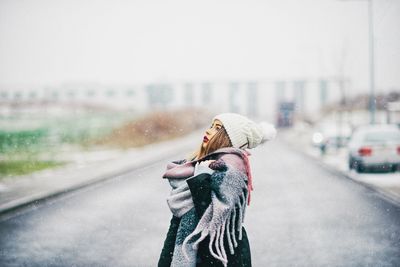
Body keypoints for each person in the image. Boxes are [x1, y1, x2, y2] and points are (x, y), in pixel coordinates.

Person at [158, 113, 277, 267]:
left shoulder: (230, 169)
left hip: (218, 254)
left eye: (217, 128)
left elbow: (212, 215)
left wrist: (201, 177)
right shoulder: (204, 164)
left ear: (231, 138)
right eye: (211, 126)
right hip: (195, 250)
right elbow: (177, 222)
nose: (208, 131)